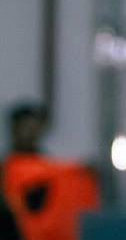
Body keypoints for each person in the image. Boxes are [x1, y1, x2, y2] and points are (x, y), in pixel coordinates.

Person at [2, 103, 99, 240]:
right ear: (14, 129)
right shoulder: (5, 170)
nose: (29, 133)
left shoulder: (51, 169)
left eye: (33, 127)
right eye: (24, 127)